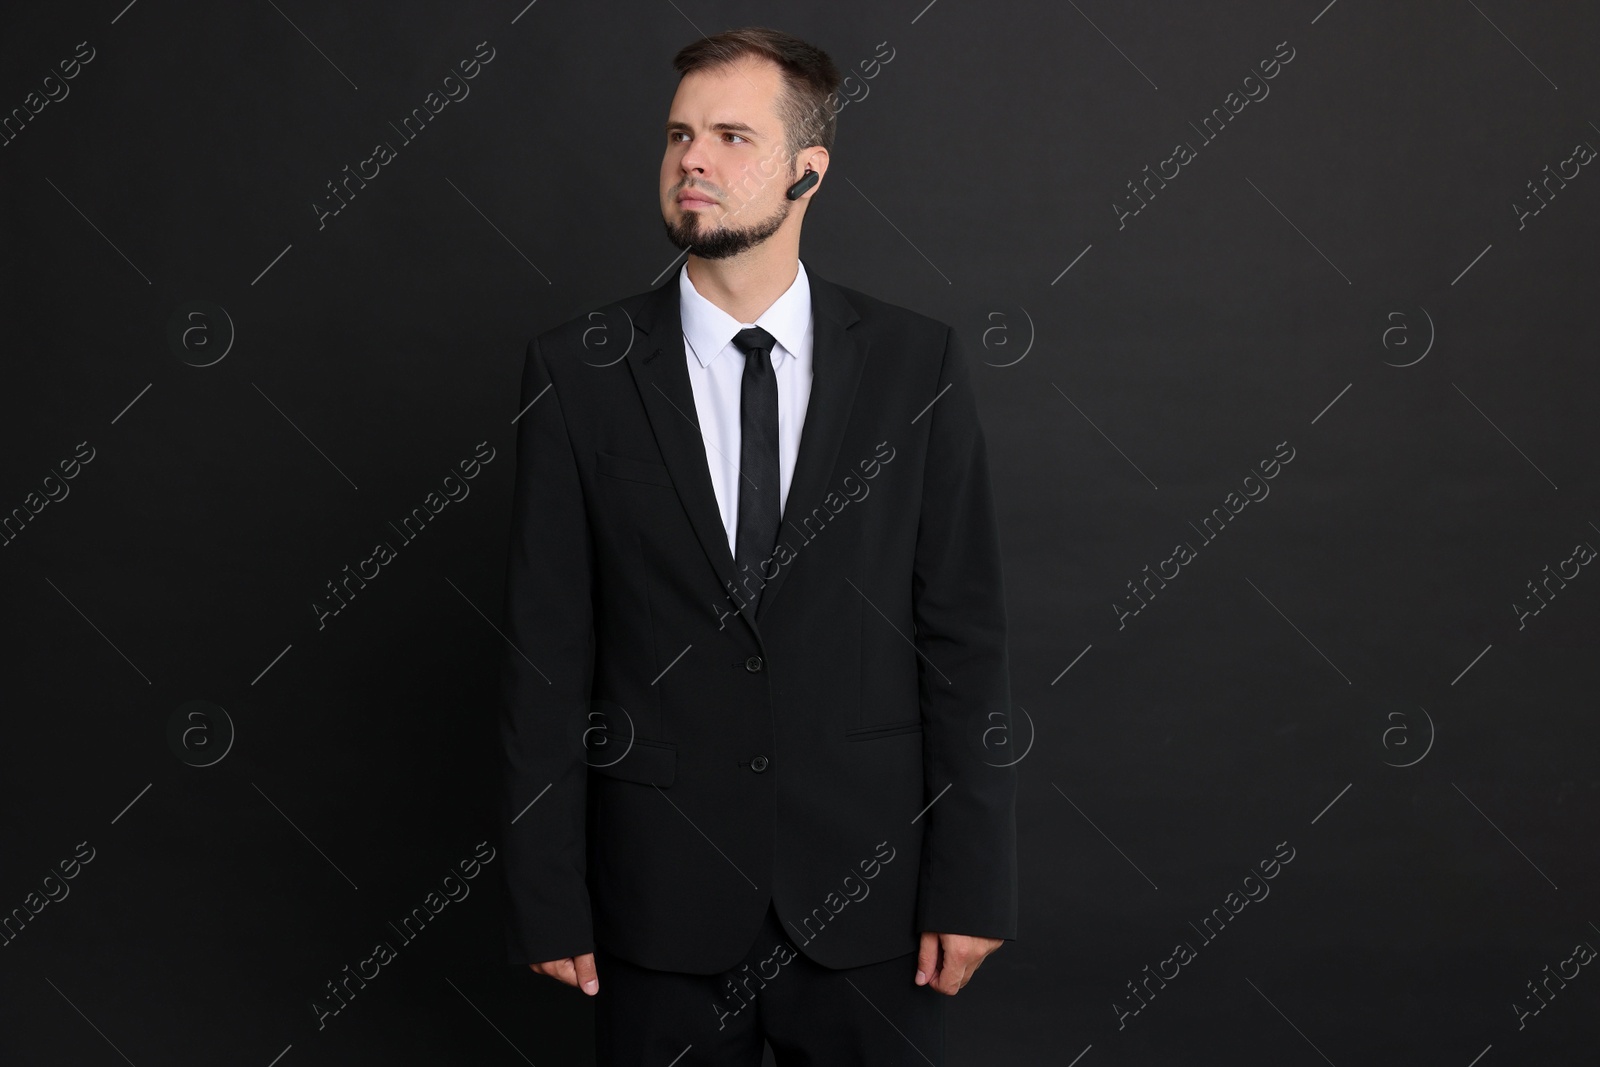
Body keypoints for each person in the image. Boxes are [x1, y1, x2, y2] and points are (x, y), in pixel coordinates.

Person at [497, 25, 1017, 1065]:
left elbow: (962, 638)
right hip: (654, 903)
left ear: (806, 171)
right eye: (680, 133)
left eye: (732, 135)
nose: (694, 158)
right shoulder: (578, 370)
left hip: (873, 901)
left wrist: (971, 880)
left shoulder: (916, 366)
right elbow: (542, 651)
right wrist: (545, 892)